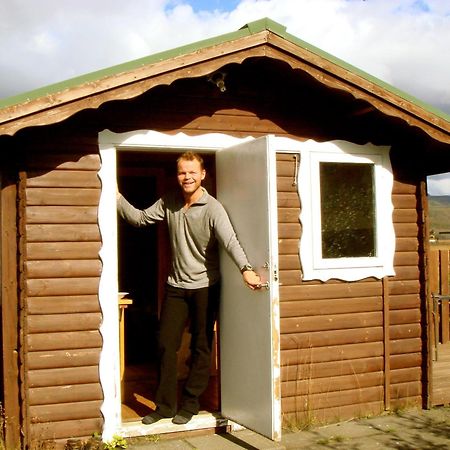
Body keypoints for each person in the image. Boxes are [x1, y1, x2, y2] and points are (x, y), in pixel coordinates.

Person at [117, 151, 261, 426]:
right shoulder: (169, 201)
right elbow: (139, 219)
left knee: (201, 346)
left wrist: (246, 269)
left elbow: (229, 241)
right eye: (183, 172)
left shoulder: (212, 208)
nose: (187, 177)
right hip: (175, 286)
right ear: (177, 174)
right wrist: (115, 197)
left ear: (203, 174)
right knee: (164, 345)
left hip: (206, 286)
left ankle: (191, 404)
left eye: (192, 172)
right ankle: (165, 406)